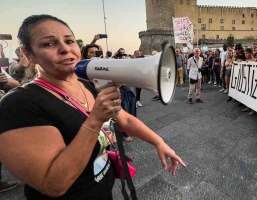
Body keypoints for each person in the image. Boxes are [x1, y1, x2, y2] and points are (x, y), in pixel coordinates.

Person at [0, 14, 185, 199]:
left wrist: (159, 142)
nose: (65, 49)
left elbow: (124, 119)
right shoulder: (18, 105)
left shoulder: (88, 85)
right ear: (29, 55)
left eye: (69, 40)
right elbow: (54, 184)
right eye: (49, 44)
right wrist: (95, 119)